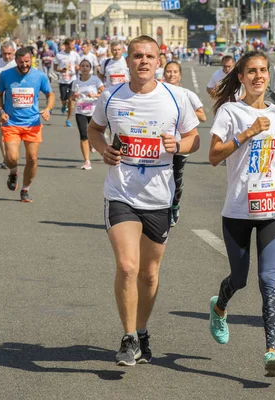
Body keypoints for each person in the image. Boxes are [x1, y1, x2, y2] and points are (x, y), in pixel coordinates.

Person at [87, 35, 200, 367]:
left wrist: (177, 145)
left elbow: (194, 139)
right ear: (129, 61)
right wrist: (101, 149)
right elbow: (95, 130)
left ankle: (142, 329)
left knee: (149, 274)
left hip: (158, 197)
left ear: (159, 60)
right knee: (127, 266)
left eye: (150, 56)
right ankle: (128, 337)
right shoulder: (111, 96)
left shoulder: (175, 98)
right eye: (137, 56)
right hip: (120, 194)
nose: (143, 61)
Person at [207, 51, 275, 377]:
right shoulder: (231, 111)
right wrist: (245, 133)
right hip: (238, 208)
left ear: (269, 75)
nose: (258, 76)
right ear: (242, 77)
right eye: (251, 72)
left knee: (268, 280)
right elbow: (214, 156)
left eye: (263, 71)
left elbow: (273, 144)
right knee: (241, 278)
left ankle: (271, 350)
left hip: (272, 205)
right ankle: (219, 307)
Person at [0, 47, 56, 203]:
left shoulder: (39, 76)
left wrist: (48, 109)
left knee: (32, 159)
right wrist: (1, 111)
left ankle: (25, 189)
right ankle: (13, 172)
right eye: (21, 62)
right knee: (11, 158)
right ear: (16, 60)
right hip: (11, 123)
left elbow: (50, 94)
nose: (24, 65)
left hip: (32, 124)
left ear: (32, 60)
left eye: (27, 62)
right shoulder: (5, 75)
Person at [163, 61, 206, 226]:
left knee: (176, 179)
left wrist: (183, 109)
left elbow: (202, 117)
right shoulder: (158, 92)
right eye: (168, 71)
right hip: (161, 144)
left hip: (182, 143)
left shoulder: (187, 94)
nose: (171, 75)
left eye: (175, 72)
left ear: (180, 75)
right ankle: (162, 211)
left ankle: (174, 205)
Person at [71, 59, 104, 170]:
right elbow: (72, 97)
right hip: (80, 111)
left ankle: (95, 145)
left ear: (90, 68)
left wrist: (95, 95)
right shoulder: (76, 82)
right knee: (83, 135)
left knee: (96, 133)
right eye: (83, 66)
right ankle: (87, 161)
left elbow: (104, 93)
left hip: (94, 111)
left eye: (87, 66)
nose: (85, 68)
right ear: (79, 68)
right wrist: (74, 97)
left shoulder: (95, 80)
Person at [53, 38, 81, 127]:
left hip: (72, 79)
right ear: (66, 45)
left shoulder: (75, 55)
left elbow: (78, 65)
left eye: (74, 45)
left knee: (71, 100)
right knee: (64, 99)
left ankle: (68, 120)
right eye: (72, 45)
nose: (73, 47)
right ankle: (63, 105)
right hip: (63, 80)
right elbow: (55, 68)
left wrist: (77, 68)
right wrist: (61, 70)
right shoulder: (59, 55)